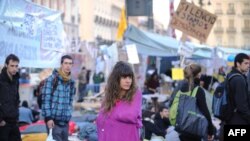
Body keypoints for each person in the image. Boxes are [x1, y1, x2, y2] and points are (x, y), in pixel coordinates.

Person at [96, 61, 142, 141]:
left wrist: (110, 115)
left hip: (127, 136)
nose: (128, 81)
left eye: (130, 77)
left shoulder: (135, 93)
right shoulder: (110, 94)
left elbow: (130, 115)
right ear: (116, 79)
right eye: (124, 77)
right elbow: (100, 118)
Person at [41, 55, 76, 141]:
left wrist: (69, 112)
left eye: (70, 64)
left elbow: (70, 100)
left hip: (65, 122)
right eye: (66, 63)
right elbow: (46, 100)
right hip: (53, 122)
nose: (68, 66)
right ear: (61, 64)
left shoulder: (71, 82)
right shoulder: (52, 79)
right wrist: (48, 118)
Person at [178, 64, 214, 141]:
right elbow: (204, 111)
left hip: (181, 126)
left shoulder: (181, 87)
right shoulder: (198, 90)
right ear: (198, 74)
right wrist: (211, 129)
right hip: (193, 128)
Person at [0, 54, 21, 141]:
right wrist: (0, 120)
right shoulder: (0, 80)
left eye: (16, 66)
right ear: (6, 65)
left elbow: (16, 99)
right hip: (3, 123)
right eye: (12, 66)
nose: (14, 68)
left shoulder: (16, 81)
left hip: (14, 122)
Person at [227, 53, 250, 124]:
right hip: (238, 119)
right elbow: (241, 105)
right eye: (245, 63)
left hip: (230, 116)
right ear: (238, 64)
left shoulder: (231, 75)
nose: (248, 66)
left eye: (249, 63)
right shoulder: (239, 80)